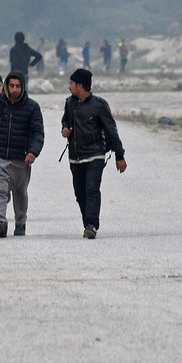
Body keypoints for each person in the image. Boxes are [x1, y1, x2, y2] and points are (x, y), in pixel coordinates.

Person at [61, 69, 127, 239]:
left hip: (95, 155)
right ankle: (87, 223)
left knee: (92, 189)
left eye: (71, 84)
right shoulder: (69, 103)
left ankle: (91, 224)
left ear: (80, 86)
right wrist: (65, 130)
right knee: (80, 194)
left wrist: (119, 156)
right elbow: (65, 121)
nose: (69, 87)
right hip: (75, 157)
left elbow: (112, 131)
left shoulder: (99, 105)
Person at [0, 71, 44, 237]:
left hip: (21, 158)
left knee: (20, 192)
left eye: (18, 86)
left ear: (23, 87)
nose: (14, 89)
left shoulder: (32, 107)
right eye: (11, 86)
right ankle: (0, 222)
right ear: (7, 86)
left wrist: (33, 152)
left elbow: (38, 133)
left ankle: (20, 222)